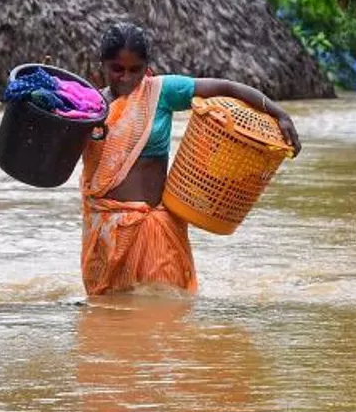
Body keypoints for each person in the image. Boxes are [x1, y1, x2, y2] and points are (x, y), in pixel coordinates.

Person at [79, 22, 302, 297]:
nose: (126, 77)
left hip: (157, 227)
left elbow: (227, 88)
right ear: (102, 65)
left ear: (147, 67)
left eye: (135, 69)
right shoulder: (89, 109)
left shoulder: (160, 92)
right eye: (117, 69)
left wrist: (280, 115)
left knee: (166, 310)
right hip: (105, 228)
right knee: (106, 316)